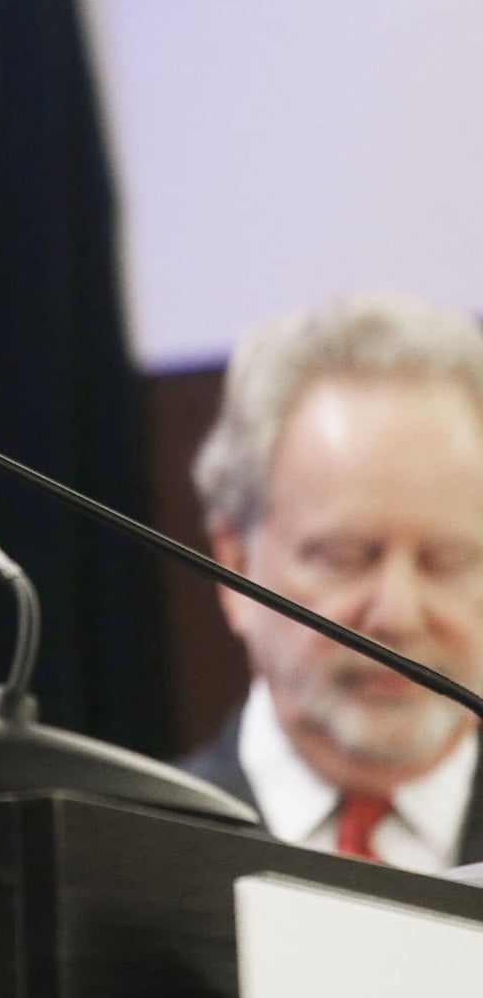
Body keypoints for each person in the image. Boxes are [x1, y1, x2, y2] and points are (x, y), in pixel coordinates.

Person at [181, 292, 483, 870]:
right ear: (233, 567)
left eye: (447, 560)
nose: (397, 615)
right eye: (345, 557)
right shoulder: (122, 855)